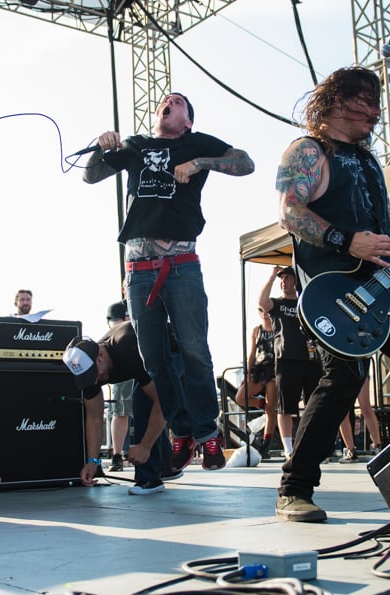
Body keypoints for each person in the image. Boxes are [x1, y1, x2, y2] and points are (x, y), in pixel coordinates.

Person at [273, 66, 390, 522]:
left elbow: (380, 220)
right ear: (337, 101)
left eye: (378, 104)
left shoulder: (368, 160)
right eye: (367, 102)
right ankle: (294, 488)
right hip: (335, 290)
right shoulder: (309, 151)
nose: (376, 114)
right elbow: (289, 212)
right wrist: (346, 241)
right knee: (343, 378)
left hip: (383, 288)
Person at [83, 92, 255, 471]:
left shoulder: (197, 143)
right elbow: (91, 175)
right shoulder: (136, 146)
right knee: (153, 359)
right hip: (138, 268)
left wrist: (199, 162)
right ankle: (182, 431)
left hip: (181, 264)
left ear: (188, 121)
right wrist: (100, 146)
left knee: (194, 350)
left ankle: (208, 434)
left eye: (177, 102)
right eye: (166, 100)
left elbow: (246, 163)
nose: (168, 102)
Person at [62, 321, 172, 495]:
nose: (96, 379)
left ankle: (149, 478)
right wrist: (92, 461)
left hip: (173, 348)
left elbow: (164, 401)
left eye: (94, 373)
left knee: (142, 402)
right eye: (88, 377)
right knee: (143, 398)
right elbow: (94, 417)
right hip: (144, 359)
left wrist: (145, 446)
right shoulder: (90, 371)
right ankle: (168, 466)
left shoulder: (128, 349)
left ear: (100, 354)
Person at [258, 266, 321, 459]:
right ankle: (289, 450)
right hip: (286, 359)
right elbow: (262, 302)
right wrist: (271, 276)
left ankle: (312, 445)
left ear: (295, 280)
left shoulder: (305, 302)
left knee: (314, 405)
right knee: (285, 406)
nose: (283, 282)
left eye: (287, 278)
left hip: (310, 360)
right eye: (282, 279)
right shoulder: (277, 304)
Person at [234, 305, 277, 459]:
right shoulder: (256, 330)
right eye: (260, 310)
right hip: (258, 369)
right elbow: (252, 353)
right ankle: (262, 404)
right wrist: (247, 373)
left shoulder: (278, 327)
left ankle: (266, 443)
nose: (264, 313)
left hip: (274, 369)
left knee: (271, 409)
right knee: (240, 397)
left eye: (266, 310)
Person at [106, 300, 134, 471]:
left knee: (151, 408)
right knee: (120, 411)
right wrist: (127, 321)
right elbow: (114, 326)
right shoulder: (116, 307)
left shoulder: (144, 301)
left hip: (144, 362)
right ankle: (117, 455)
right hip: (122, 364)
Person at [336, 377, 382, 463]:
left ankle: (377, 446)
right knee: (343, 411)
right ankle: (351, 450)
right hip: (343, 372)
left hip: (357, 372)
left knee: (365, 407)